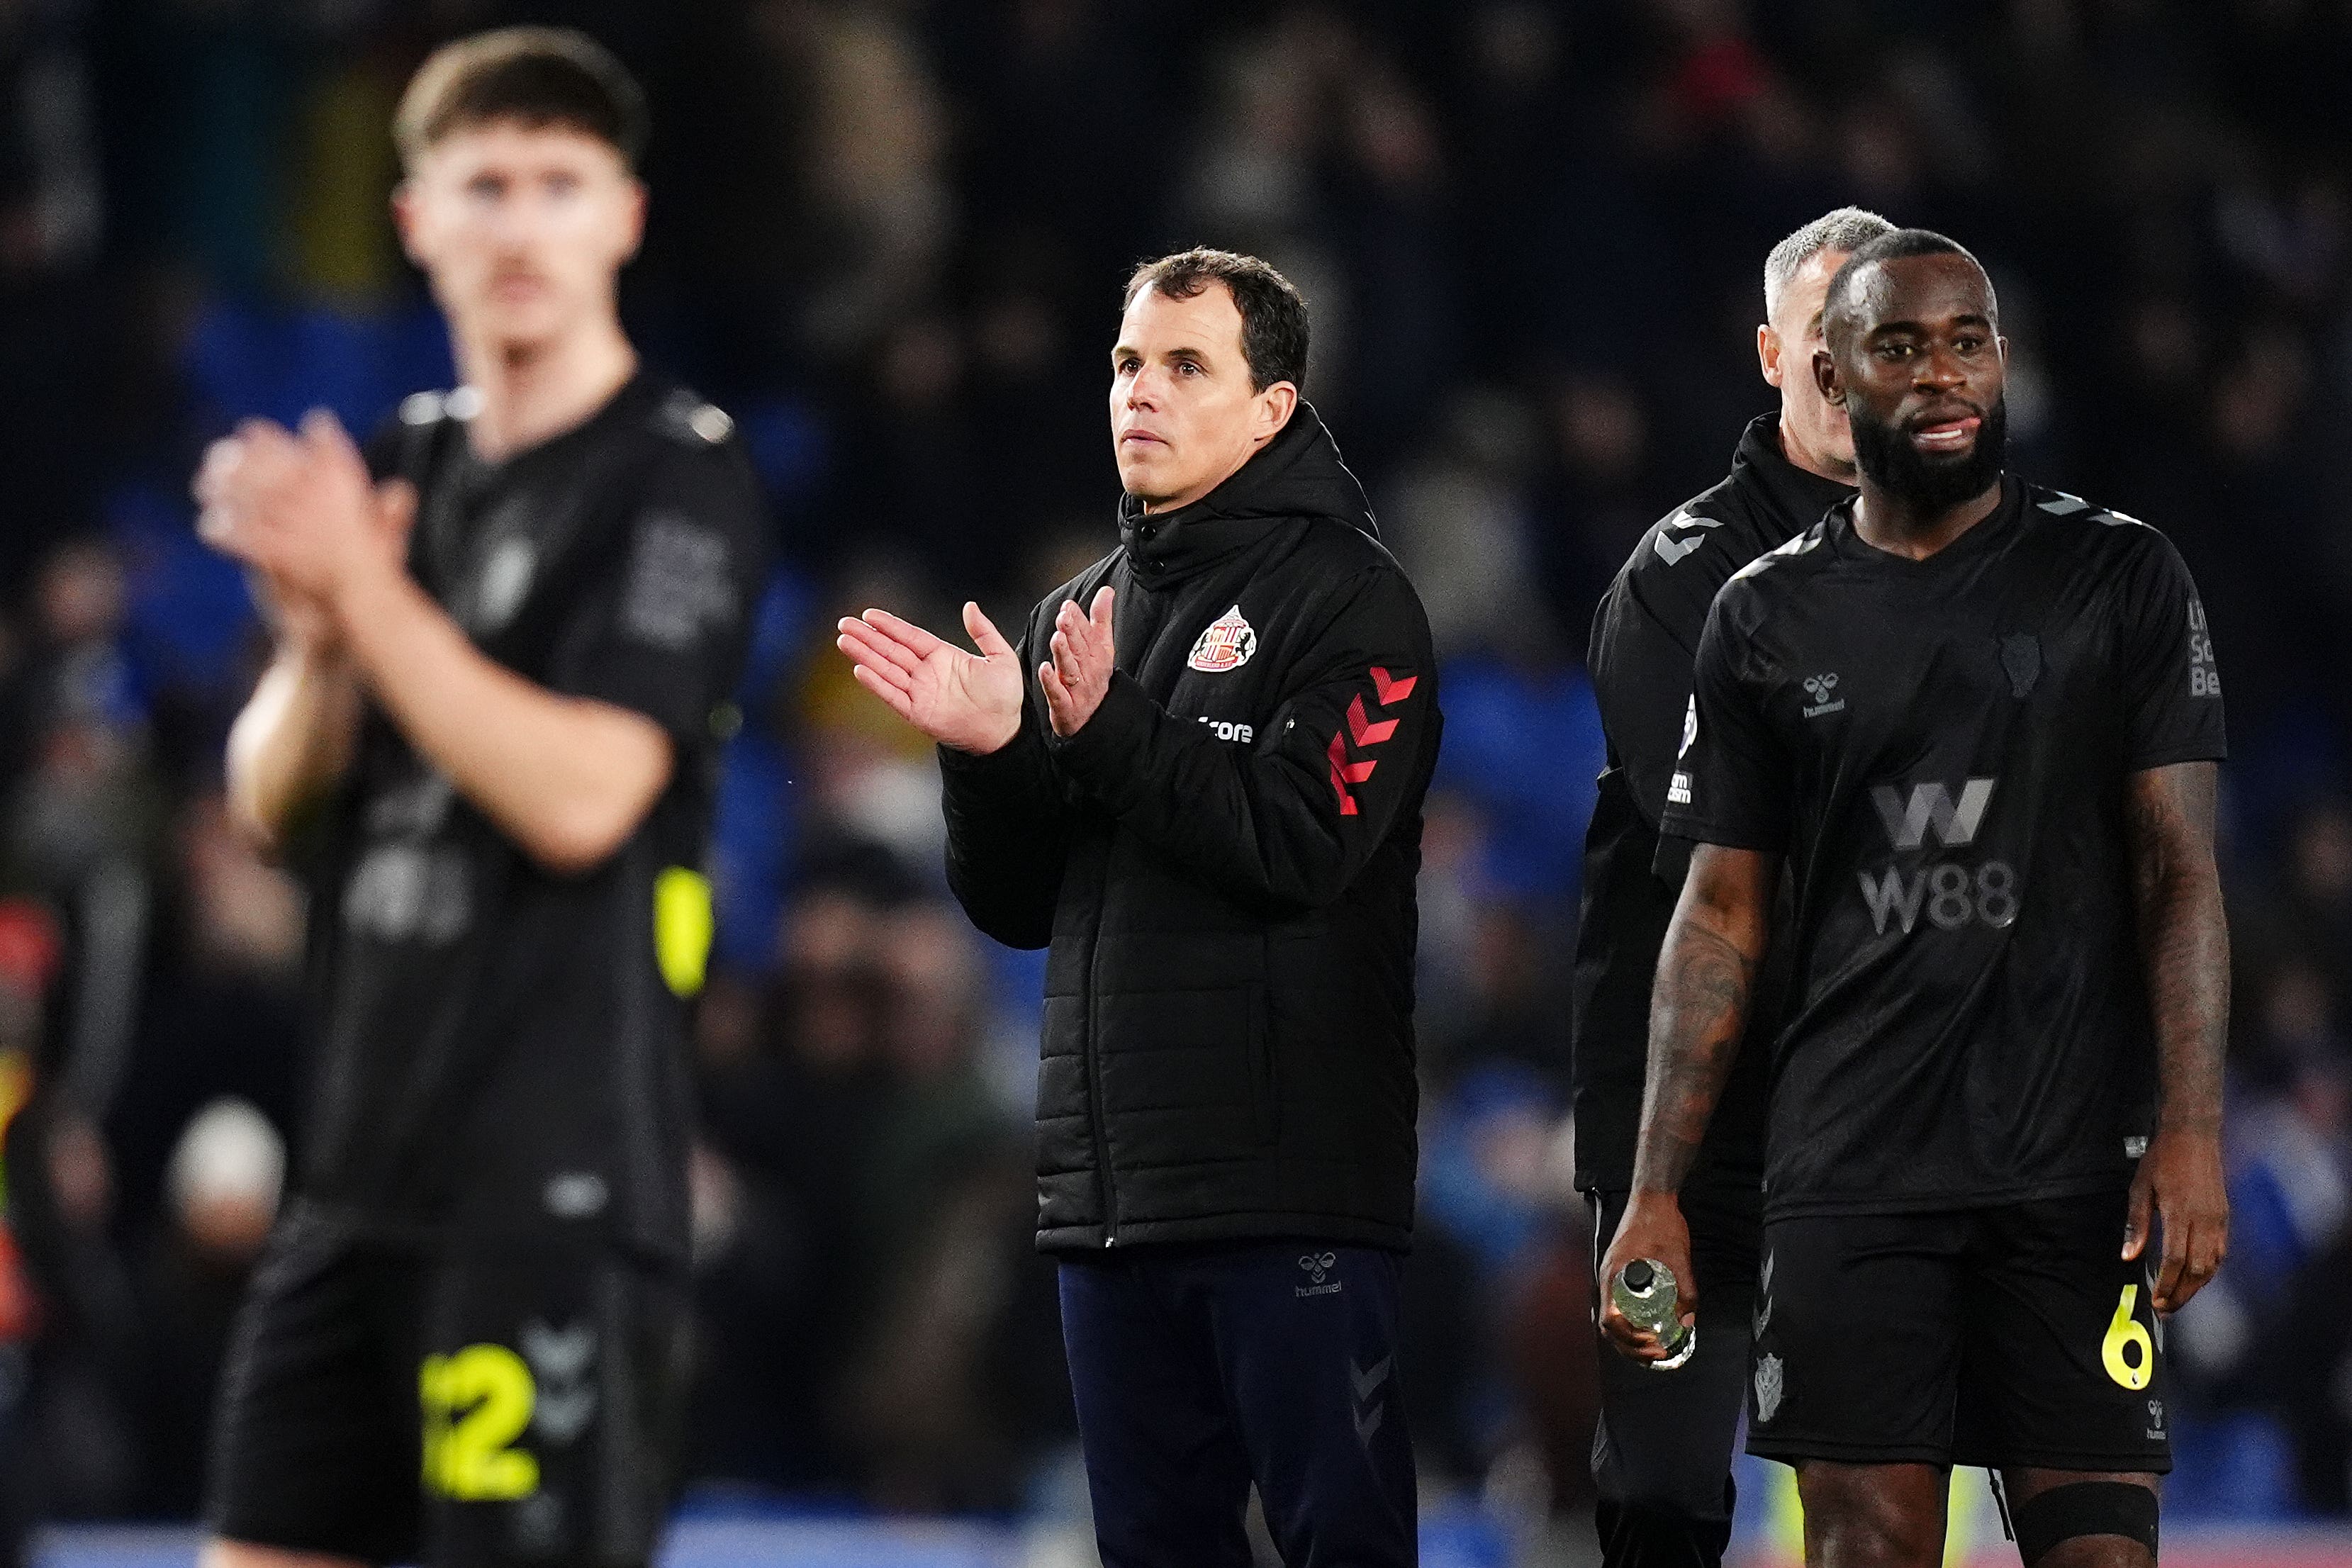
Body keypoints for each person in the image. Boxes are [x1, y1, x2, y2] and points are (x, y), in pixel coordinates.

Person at [192, 29, 766, 1568]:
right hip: (356, 1182)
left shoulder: (677, 477)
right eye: (486, 185)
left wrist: (367, 598)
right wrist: (317, 647)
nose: (521, 225)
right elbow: (274, 806)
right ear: (416, 221)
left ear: (625, 219)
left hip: (550, 1201)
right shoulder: (409, 466)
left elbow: (587, 794)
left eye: (560, 185)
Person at [1599, 228, 2230, 1568]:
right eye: (1899, 348)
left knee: (2104, 1549)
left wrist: (2189, 1126)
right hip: (1846, 1178)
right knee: (1866, 1552)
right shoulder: (1757, 615)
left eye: (1967, 341)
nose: (1942, 375)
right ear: (1829, 373)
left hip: (2070, 1172)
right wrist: (1654, 1184)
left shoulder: (2119, 578)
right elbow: (1715, 915)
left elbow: (2178, 873)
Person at [836, 248, 1440, 1567]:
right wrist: (989, 757)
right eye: (1124, 364)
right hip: (1113, 1204)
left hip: (1289, 1198)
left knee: (1339, 1542)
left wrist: (1107, 730)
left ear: (1271, 408)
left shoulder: (1352, 603)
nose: (1139, 395)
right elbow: (1014, 907)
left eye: (1184, 366)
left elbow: (1302, 843)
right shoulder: (1078, 613)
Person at [1571, 206, 1892, 1567]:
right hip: (1689, 1133)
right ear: (1772, 354)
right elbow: (1709, 845)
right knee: (1662, 1493)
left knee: (1873, 1495)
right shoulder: (1682, 579)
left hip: (1885, 1118)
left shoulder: (1986, 571)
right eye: (1820, 339)